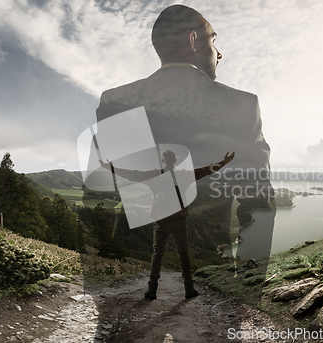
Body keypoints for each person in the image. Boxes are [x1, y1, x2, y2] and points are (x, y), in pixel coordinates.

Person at [92, 3, 275, 294]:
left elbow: (113, 179)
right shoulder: (243, 105)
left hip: (132, 254)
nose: (219, 53)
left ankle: (151, 288)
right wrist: (253, 278)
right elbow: (257, 197)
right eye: (214, 40)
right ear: (193, 41)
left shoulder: (114, 101)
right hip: (210, 256)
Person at [99, 150, 235, 299]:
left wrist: (110, 168)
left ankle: (152, 290)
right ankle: (189, 289)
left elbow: (132, 174)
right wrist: (223, 162)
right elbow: (206, 170)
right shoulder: (183, 175)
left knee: (157, 255)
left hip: (161, 220)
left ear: (162, 160)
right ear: (175, 160)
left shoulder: (155, 175)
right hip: (179, 220)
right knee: (184, 254)